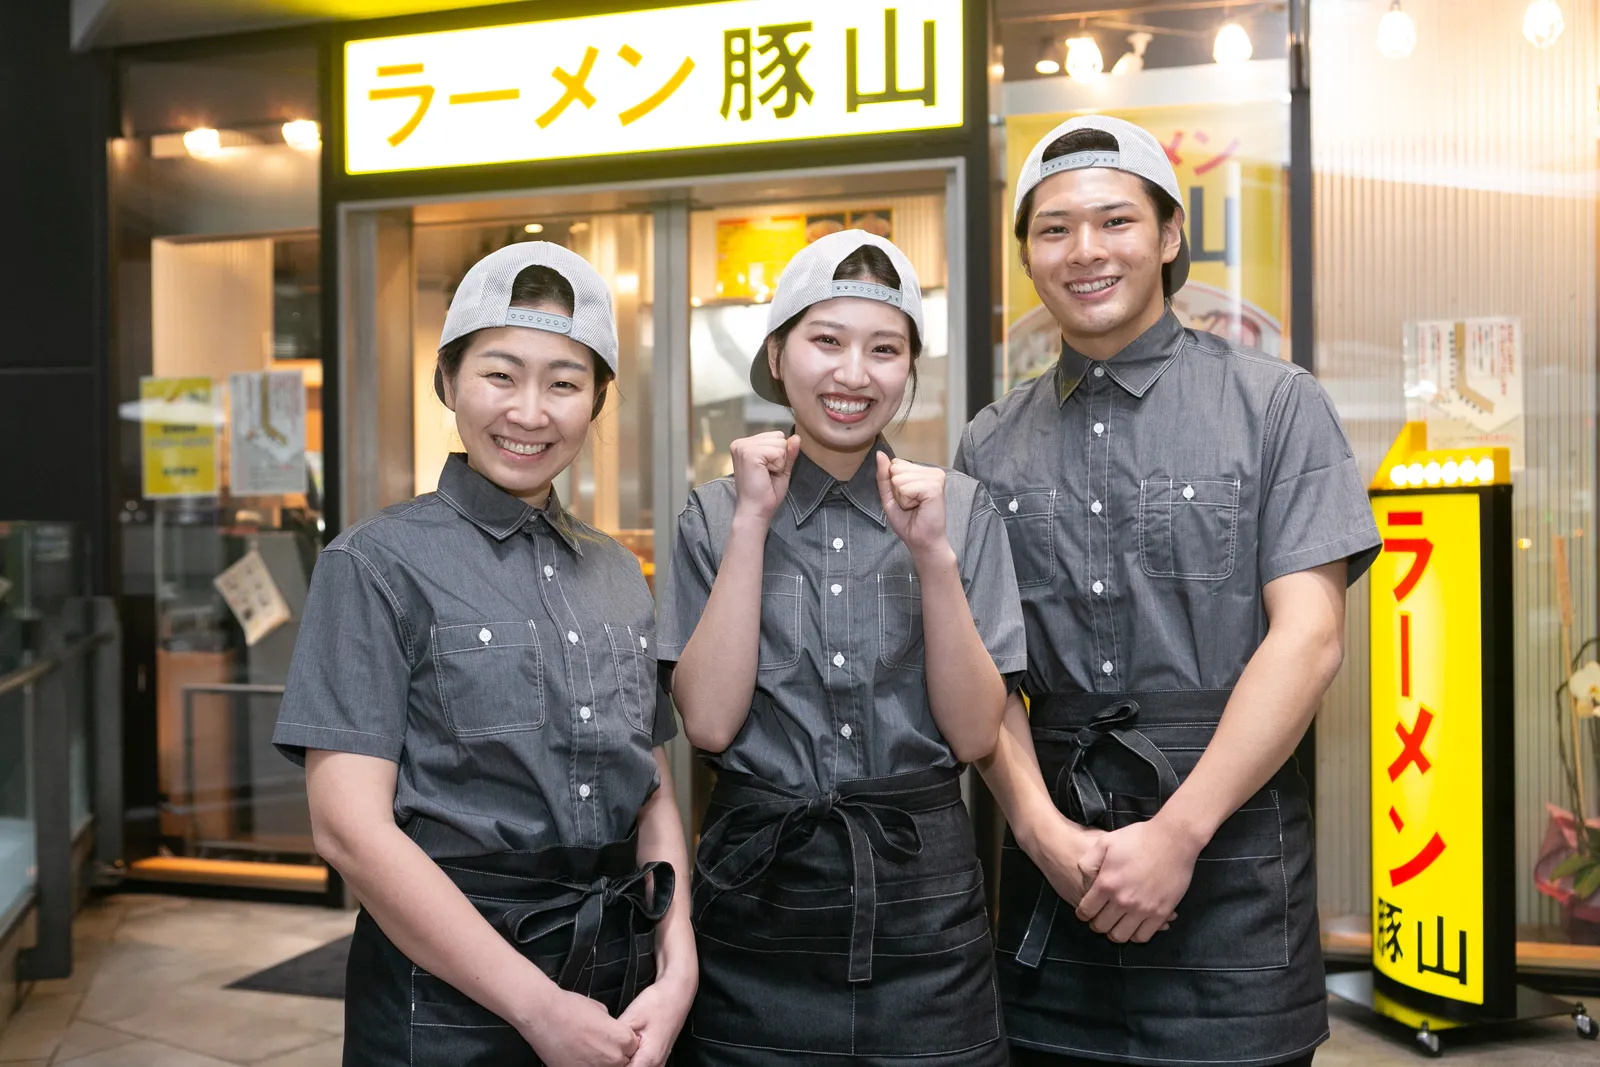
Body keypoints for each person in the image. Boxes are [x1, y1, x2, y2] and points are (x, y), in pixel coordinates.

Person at [958, 115, 1381, 1067]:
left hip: (1230, 874)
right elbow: (982, 672)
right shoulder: (990, 443)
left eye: (1114, 221)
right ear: (1026, 254)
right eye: (1054, 228)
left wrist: (1178, 834)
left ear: (1170, 235)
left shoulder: (1276, 404)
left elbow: (1309, 639)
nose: (1086, 251)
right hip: (1053, 875)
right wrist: (1039, 830)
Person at [272, 242, 696, 1067]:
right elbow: (349, 828)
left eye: (564, 383)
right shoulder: (373, 563)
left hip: (620, 976)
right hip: (445, 998)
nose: (530, 412)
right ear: (448, 383)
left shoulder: (617, 570)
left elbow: (651, 792)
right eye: (501, 375)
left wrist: (677, 964)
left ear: (597, 401)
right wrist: (539, 1010)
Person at [659, 230, 1026, 1066]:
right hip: (757, 894)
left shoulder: (963, 511)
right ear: (779, 353)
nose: (854, 374)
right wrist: (753, 521)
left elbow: (976, 736)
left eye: (884, 349)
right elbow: (709, 725)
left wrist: (932, 555)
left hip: (924, 902)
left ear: (909, 371)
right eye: (826, 341)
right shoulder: (714, 516)